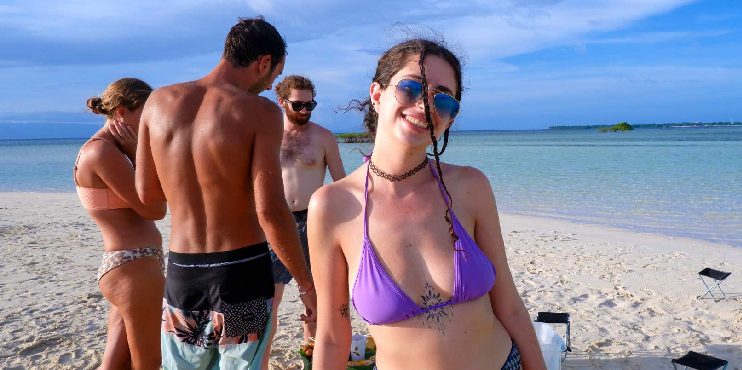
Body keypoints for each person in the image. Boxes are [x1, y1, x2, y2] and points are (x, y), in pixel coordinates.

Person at [309, 38, 546, 370]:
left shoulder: (469, 186)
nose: (425, 105)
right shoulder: (332, 206)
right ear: (377, 95)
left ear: (449, 117)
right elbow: (333, 335)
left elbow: (509, 306)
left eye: (444, 99)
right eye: (411, 88)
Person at [135, 17, 316, 368]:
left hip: (183, 274)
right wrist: (306, 284)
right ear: (264, 62)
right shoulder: (259, 112)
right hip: (242, 275)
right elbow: (271, 210)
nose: (270, 85)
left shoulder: (157, 102)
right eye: (274, 75)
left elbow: (148, 196)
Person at [75, 78, 165, 369]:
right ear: (123, 112)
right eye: (147, 113)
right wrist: (139, 152)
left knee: (117, 363)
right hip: (131, 265)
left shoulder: (110, 150)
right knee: (149, 361)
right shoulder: (102, 152)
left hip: (131, 264)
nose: (153, 121)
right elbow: (155, 208)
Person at [263, 75, 346, 362]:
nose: (304, 111)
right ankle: (262, 361)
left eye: (310, 104)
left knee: (315, 299)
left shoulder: (323, 137)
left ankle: (310, 359)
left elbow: (340, 185)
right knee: (271, 302)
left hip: (312, 221)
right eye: (298, 105)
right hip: (275, 221)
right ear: (281, 101)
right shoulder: (268, 135)